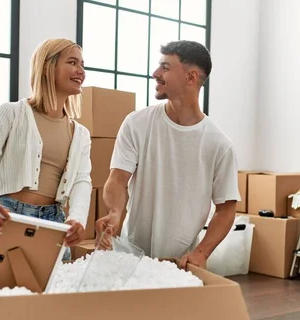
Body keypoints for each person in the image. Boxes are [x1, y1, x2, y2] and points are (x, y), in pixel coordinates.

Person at [95, 40, 240, 269]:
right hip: (130, 255)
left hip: (179, 263)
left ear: (190, 77)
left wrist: (202, 253)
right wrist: (114, 213)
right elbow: (118, 178)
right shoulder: (137, 123)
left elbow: (226, 208)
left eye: (165, 67)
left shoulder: (219, 144)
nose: (155, 73)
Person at [0, 38, 92, 263]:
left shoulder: (80, 134)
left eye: (82, 65)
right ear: (48, 67)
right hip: (6, 221)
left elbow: (82, 181)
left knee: (53, 299)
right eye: (72, 62)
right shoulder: (11, 113)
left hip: (54, 226)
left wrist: (78, 217)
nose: (81, 71)